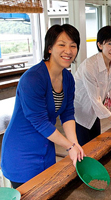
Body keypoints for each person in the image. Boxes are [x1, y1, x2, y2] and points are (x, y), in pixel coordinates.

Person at [1, 24, 85, 188]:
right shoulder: (33, 79)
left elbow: (67, 113)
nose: (68, 50)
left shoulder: (67, 78)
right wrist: (69, 146)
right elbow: (39, 122)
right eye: (61, 44)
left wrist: (75, 144)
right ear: (49, 48)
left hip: (46, 148)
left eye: (73, 45)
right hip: (22, 153)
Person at [74, 26, 111, 146]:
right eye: (110, 43)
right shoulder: (90, 66)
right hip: (80, 110)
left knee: (95, 142)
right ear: (100, 45)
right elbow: (94, 100)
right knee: (84, 146)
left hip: (96, 109)